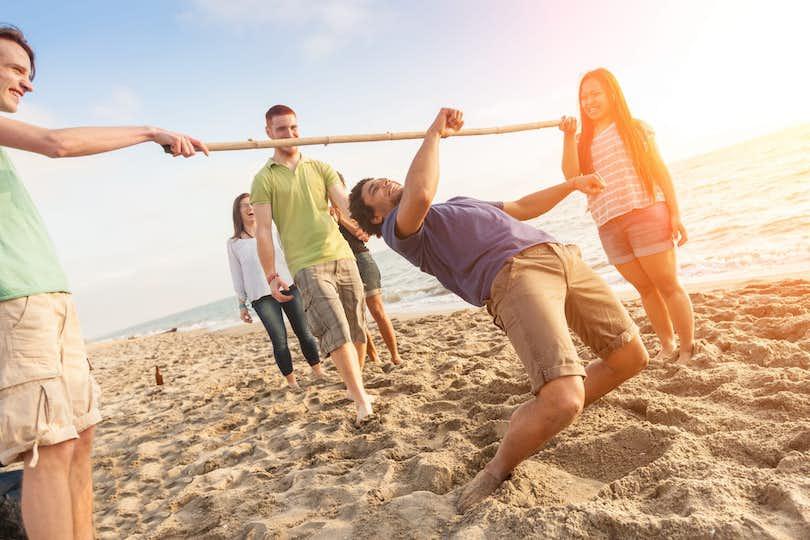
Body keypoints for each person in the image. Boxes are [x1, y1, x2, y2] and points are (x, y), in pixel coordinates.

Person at [348, 108, 650, 513]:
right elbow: (419, 193)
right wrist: (434, 134)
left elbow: (523, 207)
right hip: (515, 277)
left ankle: (552, 409)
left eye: (380, 180)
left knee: (631, 357)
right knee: (563, 400)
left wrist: (572, 183)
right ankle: (497, 468)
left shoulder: (459, 203)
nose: (384, 183)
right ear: (378, 217)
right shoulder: (403, 233)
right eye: (374, 190)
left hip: (561, 256)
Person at [0, 25, 206, 539]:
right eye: (15, 70)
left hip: (48, 295)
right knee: (46, 448)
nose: (26, 85)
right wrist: (149, 131)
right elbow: (56, 144)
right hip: (11, 303)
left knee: (79, 437)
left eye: (30, 75)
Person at [559, 67, 695, 364]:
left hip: (646, 213)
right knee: (645, 288)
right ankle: (667, 345)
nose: (589, 101)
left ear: (611, 93)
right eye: (583, 97)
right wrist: (569, 137)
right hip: (608, 224)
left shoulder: (635, 128)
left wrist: (676, 214)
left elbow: (660, 170)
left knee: (667, 285)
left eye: (595, 93)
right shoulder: (582, 141)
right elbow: (571, 177)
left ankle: (686, 349)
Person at [250, 104, 374, 424]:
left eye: (294, 128)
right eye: (281, 129)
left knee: (357, 327)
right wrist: (271, 274)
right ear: (268, 133)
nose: (290, 134)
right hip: (306, 264)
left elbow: (344, 203)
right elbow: (263, 230)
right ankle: (361, 401)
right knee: (335, 327)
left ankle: (353, 385)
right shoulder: (263, 179)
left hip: (341, 255)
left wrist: (363, 222)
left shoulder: (320, 167)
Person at [227, 193, 324, 390]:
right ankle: (292, 382)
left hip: (288, 285)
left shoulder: (272, 230)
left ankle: (318, 371)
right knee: (279, 340)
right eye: (244, 205)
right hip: (261, 297)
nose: (250, 208)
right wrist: (241, 304)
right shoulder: (234, 243)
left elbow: (290, 255)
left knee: (304, 332)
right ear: (238, 213)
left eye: (252, 204)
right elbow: (237, 274)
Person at [334, 173, 402, 367]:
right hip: (340, 263)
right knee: (356, 316)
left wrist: (340, 217)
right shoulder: (322, 210)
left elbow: (363, 234)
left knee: (377, 310)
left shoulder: (352, 206)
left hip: (361, 258)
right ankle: (373, 357)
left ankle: (395, 355)